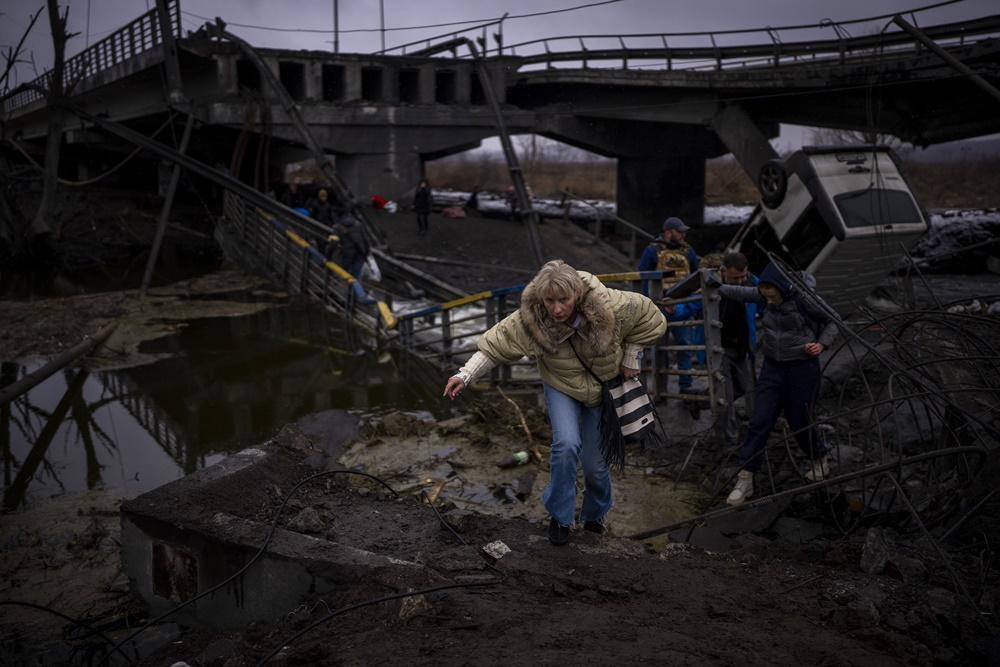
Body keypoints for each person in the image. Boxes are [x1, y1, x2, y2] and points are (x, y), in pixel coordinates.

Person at [443, 260, 666, 546]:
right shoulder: (532, 317)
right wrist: (465, 374)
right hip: (561, 387)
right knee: (566, 445)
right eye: (550, 301)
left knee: (596, 466)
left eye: (564, 300)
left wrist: (632, 354)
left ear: (578, 294)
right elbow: (497, 343)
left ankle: (595, 516)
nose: (557, 309)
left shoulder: (612, 304)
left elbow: (652, 317)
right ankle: (560, 517)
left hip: (602, 390)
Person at [713, 262, 838, 506]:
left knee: (799, 419)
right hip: (772, 367)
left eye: (773, 296)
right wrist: (713, 284)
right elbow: (738, 292)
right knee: (760, 419)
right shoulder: (762, 294)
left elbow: (833, 321)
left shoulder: (806, 299)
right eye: (765, 296)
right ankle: (745, 479)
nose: (768, 301)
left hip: (802, 367)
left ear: (784, 288)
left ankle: (819, 457)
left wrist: (822, 344)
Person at [671, 252, 759, 436]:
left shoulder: (752, 282)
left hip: (742, 347)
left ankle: (699, 401)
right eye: (735, 277)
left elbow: (768, 294)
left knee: (743, 387)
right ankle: (728, 439)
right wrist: (673, 309)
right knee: (724, 397)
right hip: (720, 349)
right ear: (723, 270)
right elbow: (691, 305)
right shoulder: (711, 285)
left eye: (743, 276)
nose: (740, 281)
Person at [638, 217, 700, 395]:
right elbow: (643, 277)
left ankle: (686, 386)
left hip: (682, 305)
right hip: (660, 305)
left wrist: (693, 303)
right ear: (668, 232)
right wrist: (647, 304)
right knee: (658, 349)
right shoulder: (652, 250)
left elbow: (695, 275)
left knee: (685, 345)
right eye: (679, 231)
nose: (683, 234)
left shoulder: (688, 250)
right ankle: (659, 389)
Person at [333, 209, 371, 278]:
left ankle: (348, 286)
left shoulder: (337, 227)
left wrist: (328, 255)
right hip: (360, 252)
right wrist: (367, 251)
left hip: (347, 253)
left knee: (347, 273)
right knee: (356, 273)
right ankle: (355, 286)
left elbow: (333, 242)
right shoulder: (358, 224)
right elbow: (366, 239)